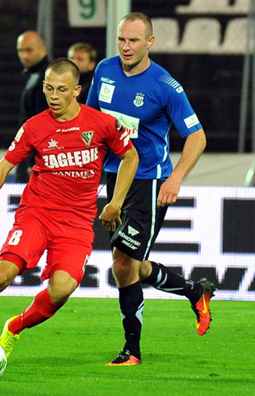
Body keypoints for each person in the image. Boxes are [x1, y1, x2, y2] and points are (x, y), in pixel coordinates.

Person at [0, 58, 139, 369]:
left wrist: (116, 201)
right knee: (1, 275)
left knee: (63, 288)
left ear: (77, 90)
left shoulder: (102, 124)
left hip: (77, 224)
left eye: (61, 89)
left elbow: (130, 157)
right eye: (49, 88)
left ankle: (15, 327)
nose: (53, 95)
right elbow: (4, 165)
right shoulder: (35, 126)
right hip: (37, 215)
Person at [86, 12, 215, 366]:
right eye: (122, 40)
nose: (126, 47)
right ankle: (194, 292)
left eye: (134, 41)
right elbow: (91, 117)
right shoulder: (104, 70)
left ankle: (132, 351)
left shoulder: (165, 85)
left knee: (122, 261)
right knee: (131, 265)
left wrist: (176, 178)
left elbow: (197, 136)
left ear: (150, 43)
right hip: (115, 176)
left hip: (150, 181)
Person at [15, 30, 51, 183]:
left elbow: (45, 123)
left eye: (28, 50)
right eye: (20, 51)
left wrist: (34, 162)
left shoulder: (48, 78)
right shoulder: (34, 75)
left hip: (36, 160)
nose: (24, 56)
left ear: (42, 49)